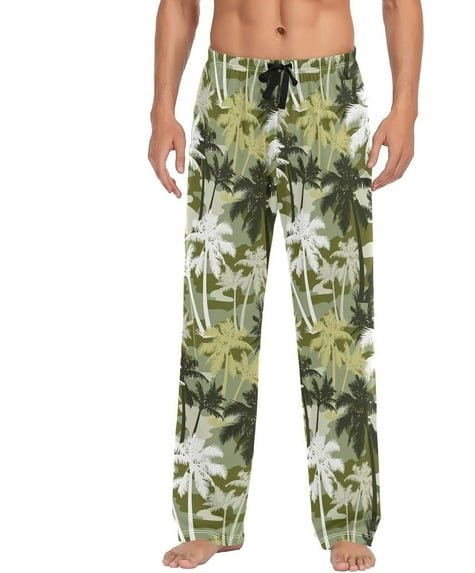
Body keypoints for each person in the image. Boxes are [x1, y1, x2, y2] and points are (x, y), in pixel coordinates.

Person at [148, 0, 422, 570]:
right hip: (229, 90)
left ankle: (347, 520)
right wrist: (161, 110)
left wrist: (406, 108)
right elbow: (179, 3)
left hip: (328, 90)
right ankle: (210, 519)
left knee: (338, 317)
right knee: (216, 311)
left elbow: (399, 2)